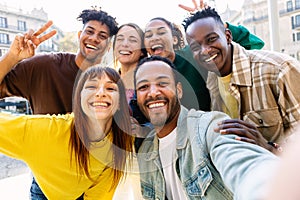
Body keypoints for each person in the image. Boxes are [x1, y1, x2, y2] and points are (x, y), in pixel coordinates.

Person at [0, 7, 119, 199]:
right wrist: (13, 56)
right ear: (80, 35)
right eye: (90, 31)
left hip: (90, 182)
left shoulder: (109, 86)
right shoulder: (45, 66)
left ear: (108, 45)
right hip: (45, 184)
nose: (95, 38)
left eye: (102, 35)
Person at [134, 55, 279, 200]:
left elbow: (244, 165)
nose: (153, 92)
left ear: (179, 90)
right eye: (143, 87)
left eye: (162, 83)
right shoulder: (145, 153)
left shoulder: (209, 127)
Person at [0, 66, 133, 199]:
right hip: (46, 192)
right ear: (79, 98)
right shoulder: (46, 130)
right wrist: (11, 57)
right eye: (91, 87)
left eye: (110, 88)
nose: (100, 93)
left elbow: (101, 192)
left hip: (81, 191)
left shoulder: (121, 139)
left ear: (120, 102)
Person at [182, 7, 300, 148]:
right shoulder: (211, 82)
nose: (205, 50)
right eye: (195, 47)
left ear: (228, 36)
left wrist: (268, 148)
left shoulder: (279, 70)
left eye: (211, 39)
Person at [110, 22, 148, 200]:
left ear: (142, 49)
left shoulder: (148, 79)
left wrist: (143, 130)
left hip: (143, 158)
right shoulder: (108, 79)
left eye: (132, 40)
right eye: (120, 39)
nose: (124, 44)